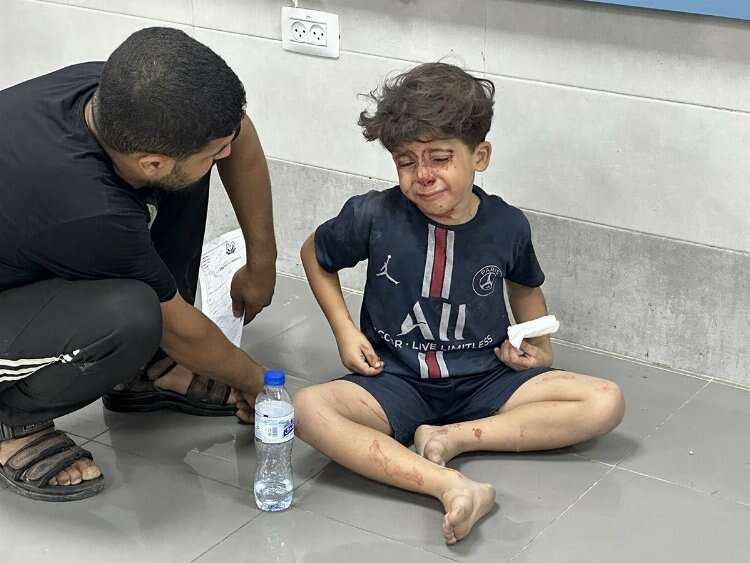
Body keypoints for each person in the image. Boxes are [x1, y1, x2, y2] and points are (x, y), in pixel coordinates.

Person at [292, 63, 625, 544]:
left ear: (480, 156)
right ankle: (450, 486)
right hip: (394, 379)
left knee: (605, 401)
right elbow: (315, 253)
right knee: (306, 409)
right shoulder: (373, 214)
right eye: (406, 161)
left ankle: (450, 438)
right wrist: (344, 329)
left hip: (486, 378)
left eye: (440, 158)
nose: (423, 176)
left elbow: (524, 287)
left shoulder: (508, 226)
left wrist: (538, 346)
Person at [0, 27, 275, 501]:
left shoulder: (118, 97)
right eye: (218, 151)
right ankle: (13, 421)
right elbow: (176, 326)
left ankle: (146, 370)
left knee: (188, 170)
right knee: (132, 316)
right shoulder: (93, 212)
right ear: (148, 161)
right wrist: (260, 384)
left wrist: (261, 262)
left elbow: (236, 132)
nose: (227, 154)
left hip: (28, 246)